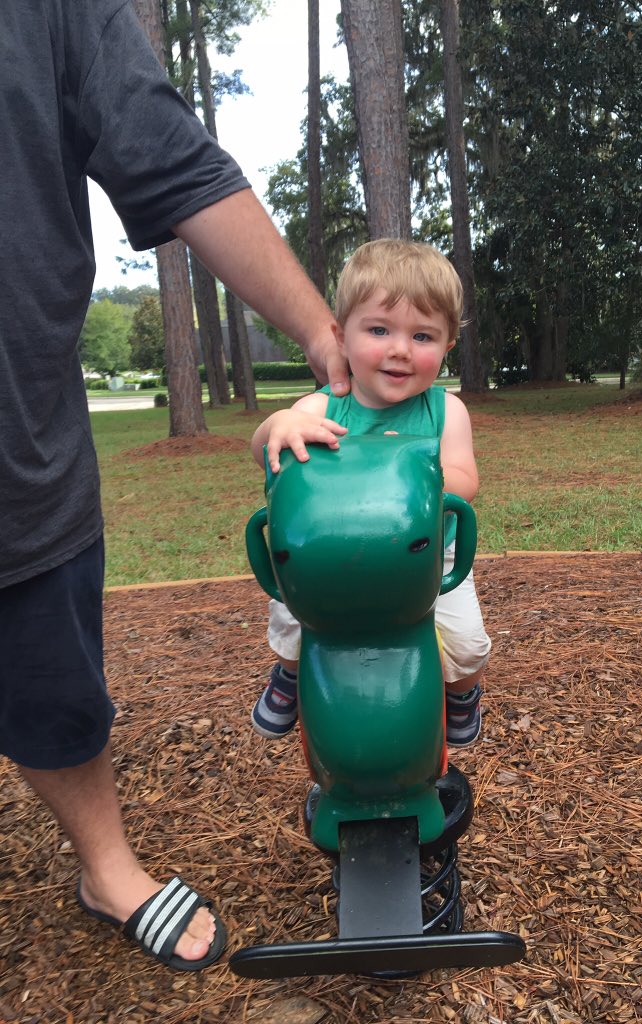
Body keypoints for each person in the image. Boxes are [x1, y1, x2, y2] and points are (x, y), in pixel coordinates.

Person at [0, 0, 349, 972]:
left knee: (53, 677)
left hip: (18, 453)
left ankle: (106, 866)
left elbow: (175, 160)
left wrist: (323, 337)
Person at [249, 239, 492, 748]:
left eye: (422, 335)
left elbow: (465, 479)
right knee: (296, 617)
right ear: (341, 337)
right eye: (379, 330)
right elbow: (266, 448)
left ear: (448, 347)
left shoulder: (445, 411)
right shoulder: (321, 409)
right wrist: (279, 423)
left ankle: (462, 694)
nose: (400, 349)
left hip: (428, 555)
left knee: (468, 643)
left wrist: (410, 473)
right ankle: (291, 674)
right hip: (327, 550)